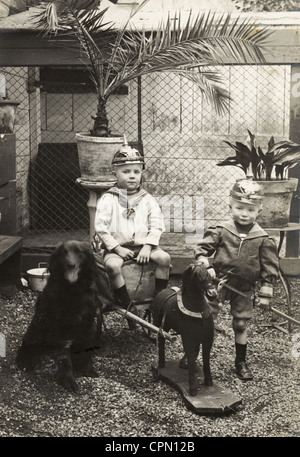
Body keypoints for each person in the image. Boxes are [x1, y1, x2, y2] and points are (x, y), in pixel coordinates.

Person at [194, 179, 279, 380]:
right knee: (206, 319)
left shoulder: (263, 238)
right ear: (230, 205)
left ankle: (240, 361)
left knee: (241, 324)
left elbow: (269, 267)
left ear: (260, 210)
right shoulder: (221, 230)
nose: (244, 213)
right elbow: (202, 251)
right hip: (218, 283)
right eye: (239, 207)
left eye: (250, 210)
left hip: (244, 287)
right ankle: (193, 356)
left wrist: (266, 292)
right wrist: (205, 264)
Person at [94, 140, 171, 328]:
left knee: (164, 258)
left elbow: (157, 224)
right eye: (126, 172)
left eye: (136, 172)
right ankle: (127, 304)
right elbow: (101, 227)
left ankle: (157, 302)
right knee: (112, 267)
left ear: (141, 173)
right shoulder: (109, 198)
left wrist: (148, 246)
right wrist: (117, 248)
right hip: (119, 247)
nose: (132, 176)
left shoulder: (147, 199)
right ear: (115, 173)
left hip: (144, 247)